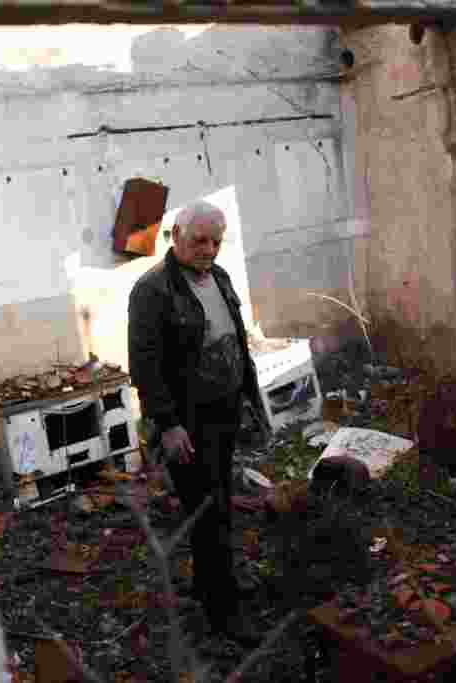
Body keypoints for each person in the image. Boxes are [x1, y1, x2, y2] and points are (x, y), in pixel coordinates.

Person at [128, 200, 270, 646]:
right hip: (189, 422)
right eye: (199, 241)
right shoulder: (153, 290)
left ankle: (217, 581)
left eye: (216, 241)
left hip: (225, 410)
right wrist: (168, 424)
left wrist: (250, 397)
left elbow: (235, 339)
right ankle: (222, 611)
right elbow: (145, 365)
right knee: (206, 513)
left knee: (221, 499)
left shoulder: (219, 277)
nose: (209, 249)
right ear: (175, 237)